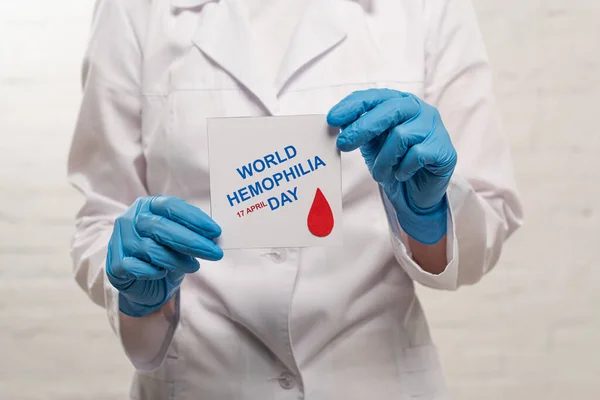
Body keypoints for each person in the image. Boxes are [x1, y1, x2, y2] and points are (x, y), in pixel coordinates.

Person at [67, 0, 523, 398]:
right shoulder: (134, 7)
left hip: (375, 377)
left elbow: (489, 209)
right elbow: (102, 214)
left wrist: (430, 215)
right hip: (203, 378)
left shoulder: (424, 5)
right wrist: (132, 286)